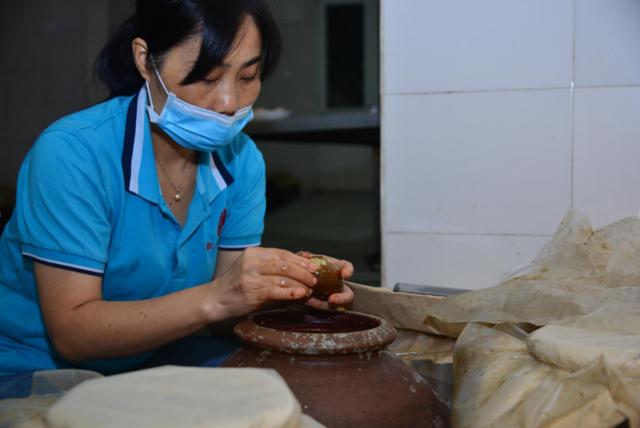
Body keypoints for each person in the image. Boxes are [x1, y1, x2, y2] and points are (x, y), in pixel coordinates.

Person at [0, 0, 354, 398]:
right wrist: (220, 297)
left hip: (158, 353)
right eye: (205, 79)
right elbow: (74, 335)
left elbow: (225, 314)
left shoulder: (242, 162)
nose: (228, 102)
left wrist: (291, 291)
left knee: (309, 392)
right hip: (35, 366)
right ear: (146, 60)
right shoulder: (73, 154)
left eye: (248, 76)